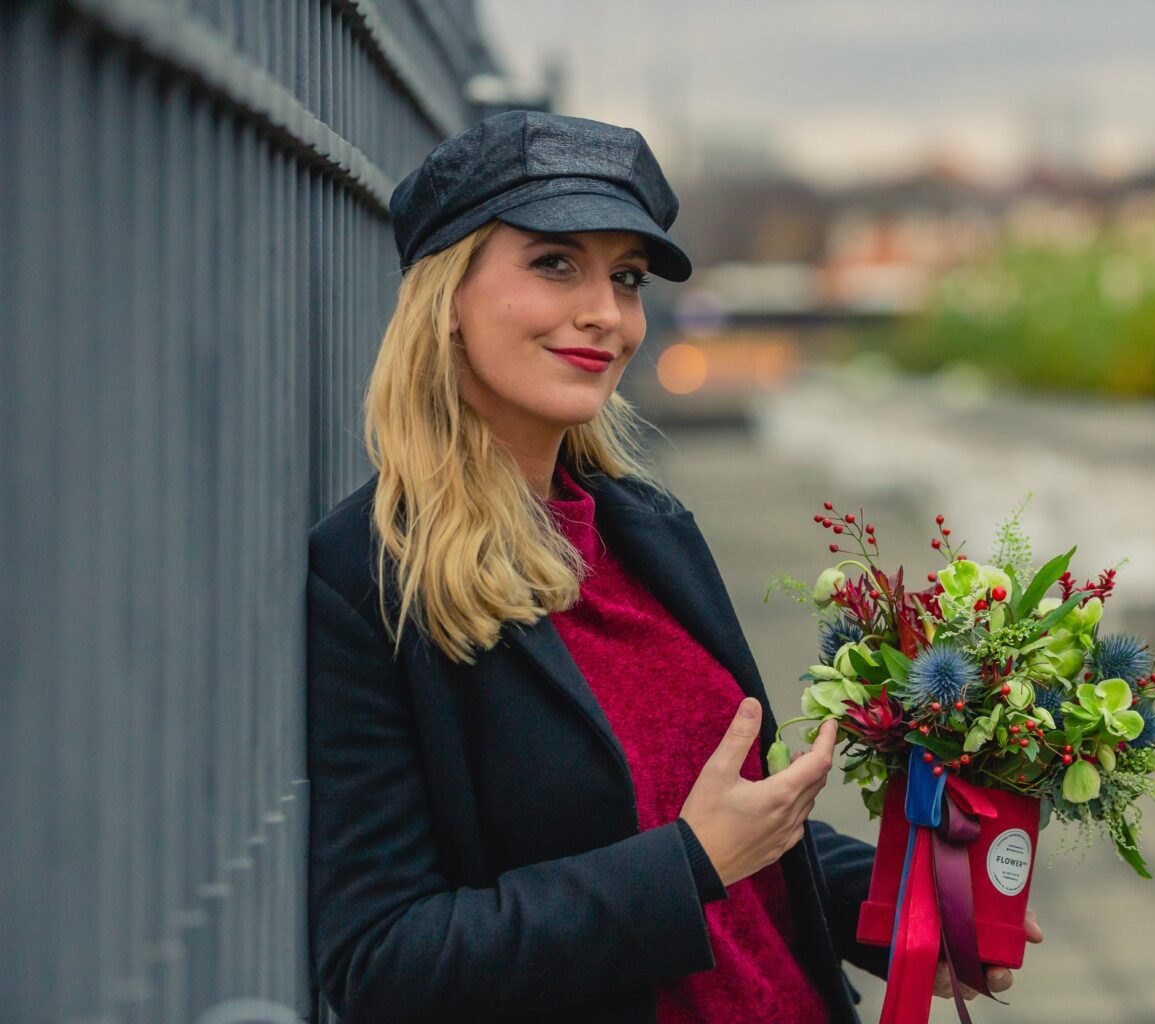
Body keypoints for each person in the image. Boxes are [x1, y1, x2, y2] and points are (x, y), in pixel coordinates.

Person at [305, 110, 1039, 1024]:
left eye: (626, 278)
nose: (605, 315)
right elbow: (382, 961)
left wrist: (909, 915)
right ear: (447, 294)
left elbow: (751, 838)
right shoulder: (374, 575)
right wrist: (689, 865)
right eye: (554, 263)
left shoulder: (645, 530)